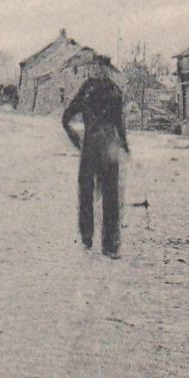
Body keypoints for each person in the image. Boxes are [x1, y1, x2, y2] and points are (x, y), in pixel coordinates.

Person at [61, 61, 129, 258]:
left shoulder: (87, 89)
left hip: (90, 146)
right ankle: (110, 245)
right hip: (108, 146)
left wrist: (75, 138)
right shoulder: (114, 90)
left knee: (86, 192)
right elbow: (119, 123)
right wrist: (124, 145)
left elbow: (66, 117)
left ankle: (87, 237)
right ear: (109, 70)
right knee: (110, 196)